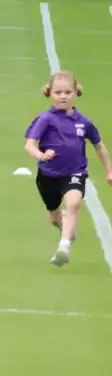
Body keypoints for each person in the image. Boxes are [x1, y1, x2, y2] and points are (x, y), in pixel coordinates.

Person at [24, 70, 112, 266]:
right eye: (58, 92)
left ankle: (64, 247)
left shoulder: (84, 122)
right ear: (50, 93)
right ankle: (65, 228)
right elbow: (30, 144)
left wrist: (109, 170)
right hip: (48, 174)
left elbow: (99, 146)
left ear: (75, 93)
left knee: (73, 204)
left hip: (75, 172)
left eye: (67, 92)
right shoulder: (45, 119)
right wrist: (41, 155)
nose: (63, 96)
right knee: (54, 215)